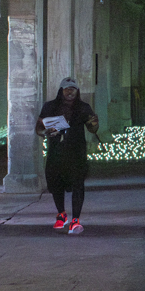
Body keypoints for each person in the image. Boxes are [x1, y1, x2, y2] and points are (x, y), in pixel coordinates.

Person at [35, 78, 99, 234]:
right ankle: (61, 214)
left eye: (73, 89)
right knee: (56, 184)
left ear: (77, 91)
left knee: (78, 184)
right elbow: (39, 128)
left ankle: (75, 220)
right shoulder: (50, 107)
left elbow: (93, 129)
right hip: (56, 152)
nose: (70, 92)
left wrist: (93, 122)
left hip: (76, 153)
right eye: (66, 89)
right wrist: (46, 132)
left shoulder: (83, 108)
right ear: (60, 90)